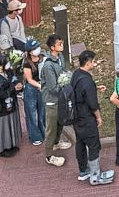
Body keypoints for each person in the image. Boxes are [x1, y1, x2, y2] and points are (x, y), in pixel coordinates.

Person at [71, 49, 114, 185]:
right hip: (87, 119)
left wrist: (95, 88)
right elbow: (93, 104)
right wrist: (99, 117)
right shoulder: (87, 80)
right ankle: (95, 176)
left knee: (80, 143)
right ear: (88, 63)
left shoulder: (76, 74)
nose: (94, 64)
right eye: (93, 61)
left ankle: (83, 171)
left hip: (77, 118)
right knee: (94, 145)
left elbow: (80, 92)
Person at [39, 34, 75, 167]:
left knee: (60, 121)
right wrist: (65, 84)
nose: (62, 45)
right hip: (52, 101)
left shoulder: (60, 57)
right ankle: (49, 155)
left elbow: (64, 71)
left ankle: (56, 143)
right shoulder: (48, 66)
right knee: (51, 127)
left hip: (61, 98)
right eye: (59, 44)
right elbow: (52, 87)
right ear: (53, 47)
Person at [0, 53, 23, 158]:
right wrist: (13, 88)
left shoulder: (7, 72)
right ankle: (2, 149)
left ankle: (11, 145)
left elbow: (13, 78)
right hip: (2, 108)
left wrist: (17, 83)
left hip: (10, 105)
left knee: (10, 123)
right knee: (4, 127)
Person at [20, 39, 46, 147]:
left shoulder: (42, 58)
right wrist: (40, 86)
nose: (37, 50)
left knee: (42, 112)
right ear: (30, 52)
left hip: (41, 88)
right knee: (31, 113)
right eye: (34, 48)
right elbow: (29, 79)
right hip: (31, 89)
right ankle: (35, 136)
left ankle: (42, 132)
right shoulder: (27, 63)